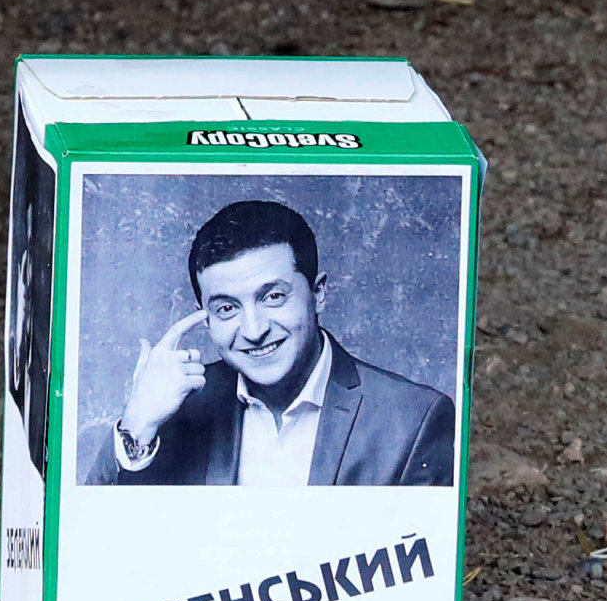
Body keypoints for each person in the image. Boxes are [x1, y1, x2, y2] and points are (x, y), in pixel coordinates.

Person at [91, 198, 455, 487]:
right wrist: (136, 424)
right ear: (204, 315)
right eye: (227, 308)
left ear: (318, 293)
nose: (253, 330)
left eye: (273, 297)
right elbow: (86, 539)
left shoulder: (412, 418)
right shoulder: (179, 405)